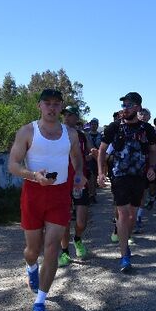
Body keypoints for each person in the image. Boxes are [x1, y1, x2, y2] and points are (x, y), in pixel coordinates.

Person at [7, 88, 86, 311]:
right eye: (47, 103)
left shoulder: (70, 134)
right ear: (39, 106)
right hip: (33, 193)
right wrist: (33, 175)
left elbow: (77, 158)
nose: (52, 108)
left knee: (52, 247)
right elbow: (12, 164)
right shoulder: (28, 131)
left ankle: (40, 303)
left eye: (56, 104)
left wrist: (80, 174)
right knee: (33, 249)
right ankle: (31, 267)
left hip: (60, 195)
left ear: (61, 107)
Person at [97, 91, 156, 272]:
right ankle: (124, 256)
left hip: (139, 177)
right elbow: (101, 151)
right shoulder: (113, 127)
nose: (124, 108)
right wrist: (101, 173)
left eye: (128, 105)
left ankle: (125, 240)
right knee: (123, 214)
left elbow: (153, 150)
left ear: (137, 107)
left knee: (132, 215)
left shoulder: (147, 130)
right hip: (119, 176)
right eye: (123, 105)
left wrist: (152, 168)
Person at [58, 105, 96, 264]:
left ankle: (78, 239)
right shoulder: (56, 134)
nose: (67, 117)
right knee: (64, 221)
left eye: (70, 115)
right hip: (61, 182)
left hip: (79, 182)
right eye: (65, 114)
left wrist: (92, 153)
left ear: (76, 118)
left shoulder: (81, 135)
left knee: (81, 221)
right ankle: (65, 252)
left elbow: (89, 151)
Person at [84, 118, 102, 203]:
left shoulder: (101, 136)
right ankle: (90, 194)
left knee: (94, 177)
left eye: (95, 124)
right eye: (92, 124)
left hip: (97, 158)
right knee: (89, 176)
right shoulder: (86, 135)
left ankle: (93, 193)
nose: (94, 126)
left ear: (97, 125)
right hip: (89, 158)